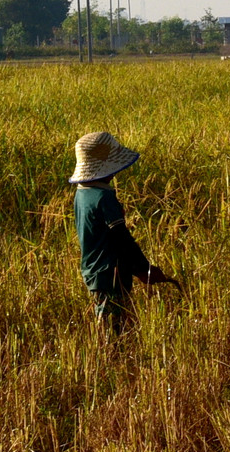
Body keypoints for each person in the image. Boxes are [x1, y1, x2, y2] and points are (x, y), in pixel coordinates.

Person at [67, 131, 176, 332]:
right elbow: (121, 239)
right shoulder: (103, 198)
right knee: (113, 329)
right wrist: (145, 269)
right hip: (110, 274)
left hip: (94, 272)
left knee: (111, 322)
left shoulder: (82, 193)